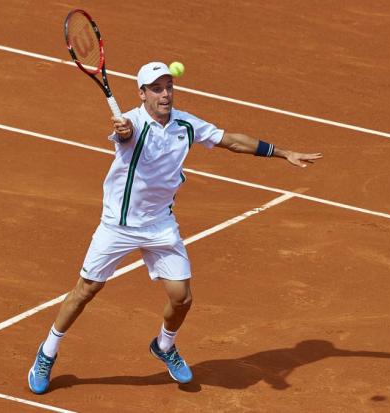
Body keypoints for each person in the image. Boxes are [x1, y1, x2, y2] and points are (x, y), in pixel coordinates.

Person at [28, 61, 323, 394]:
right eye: (156, 88)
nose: (165, 94)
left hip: (160, 225)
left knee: (182, 298)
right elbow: (124, 133)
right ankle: (47, 352)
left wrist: (283, 153)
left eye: (169, 86)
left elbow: (232, 141)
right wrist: (124, 131)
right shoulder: (132, 124)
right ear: (142, 94)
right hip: (119, 225)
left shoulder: (186, 124)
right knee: (86, 291)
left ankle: (164, 346)